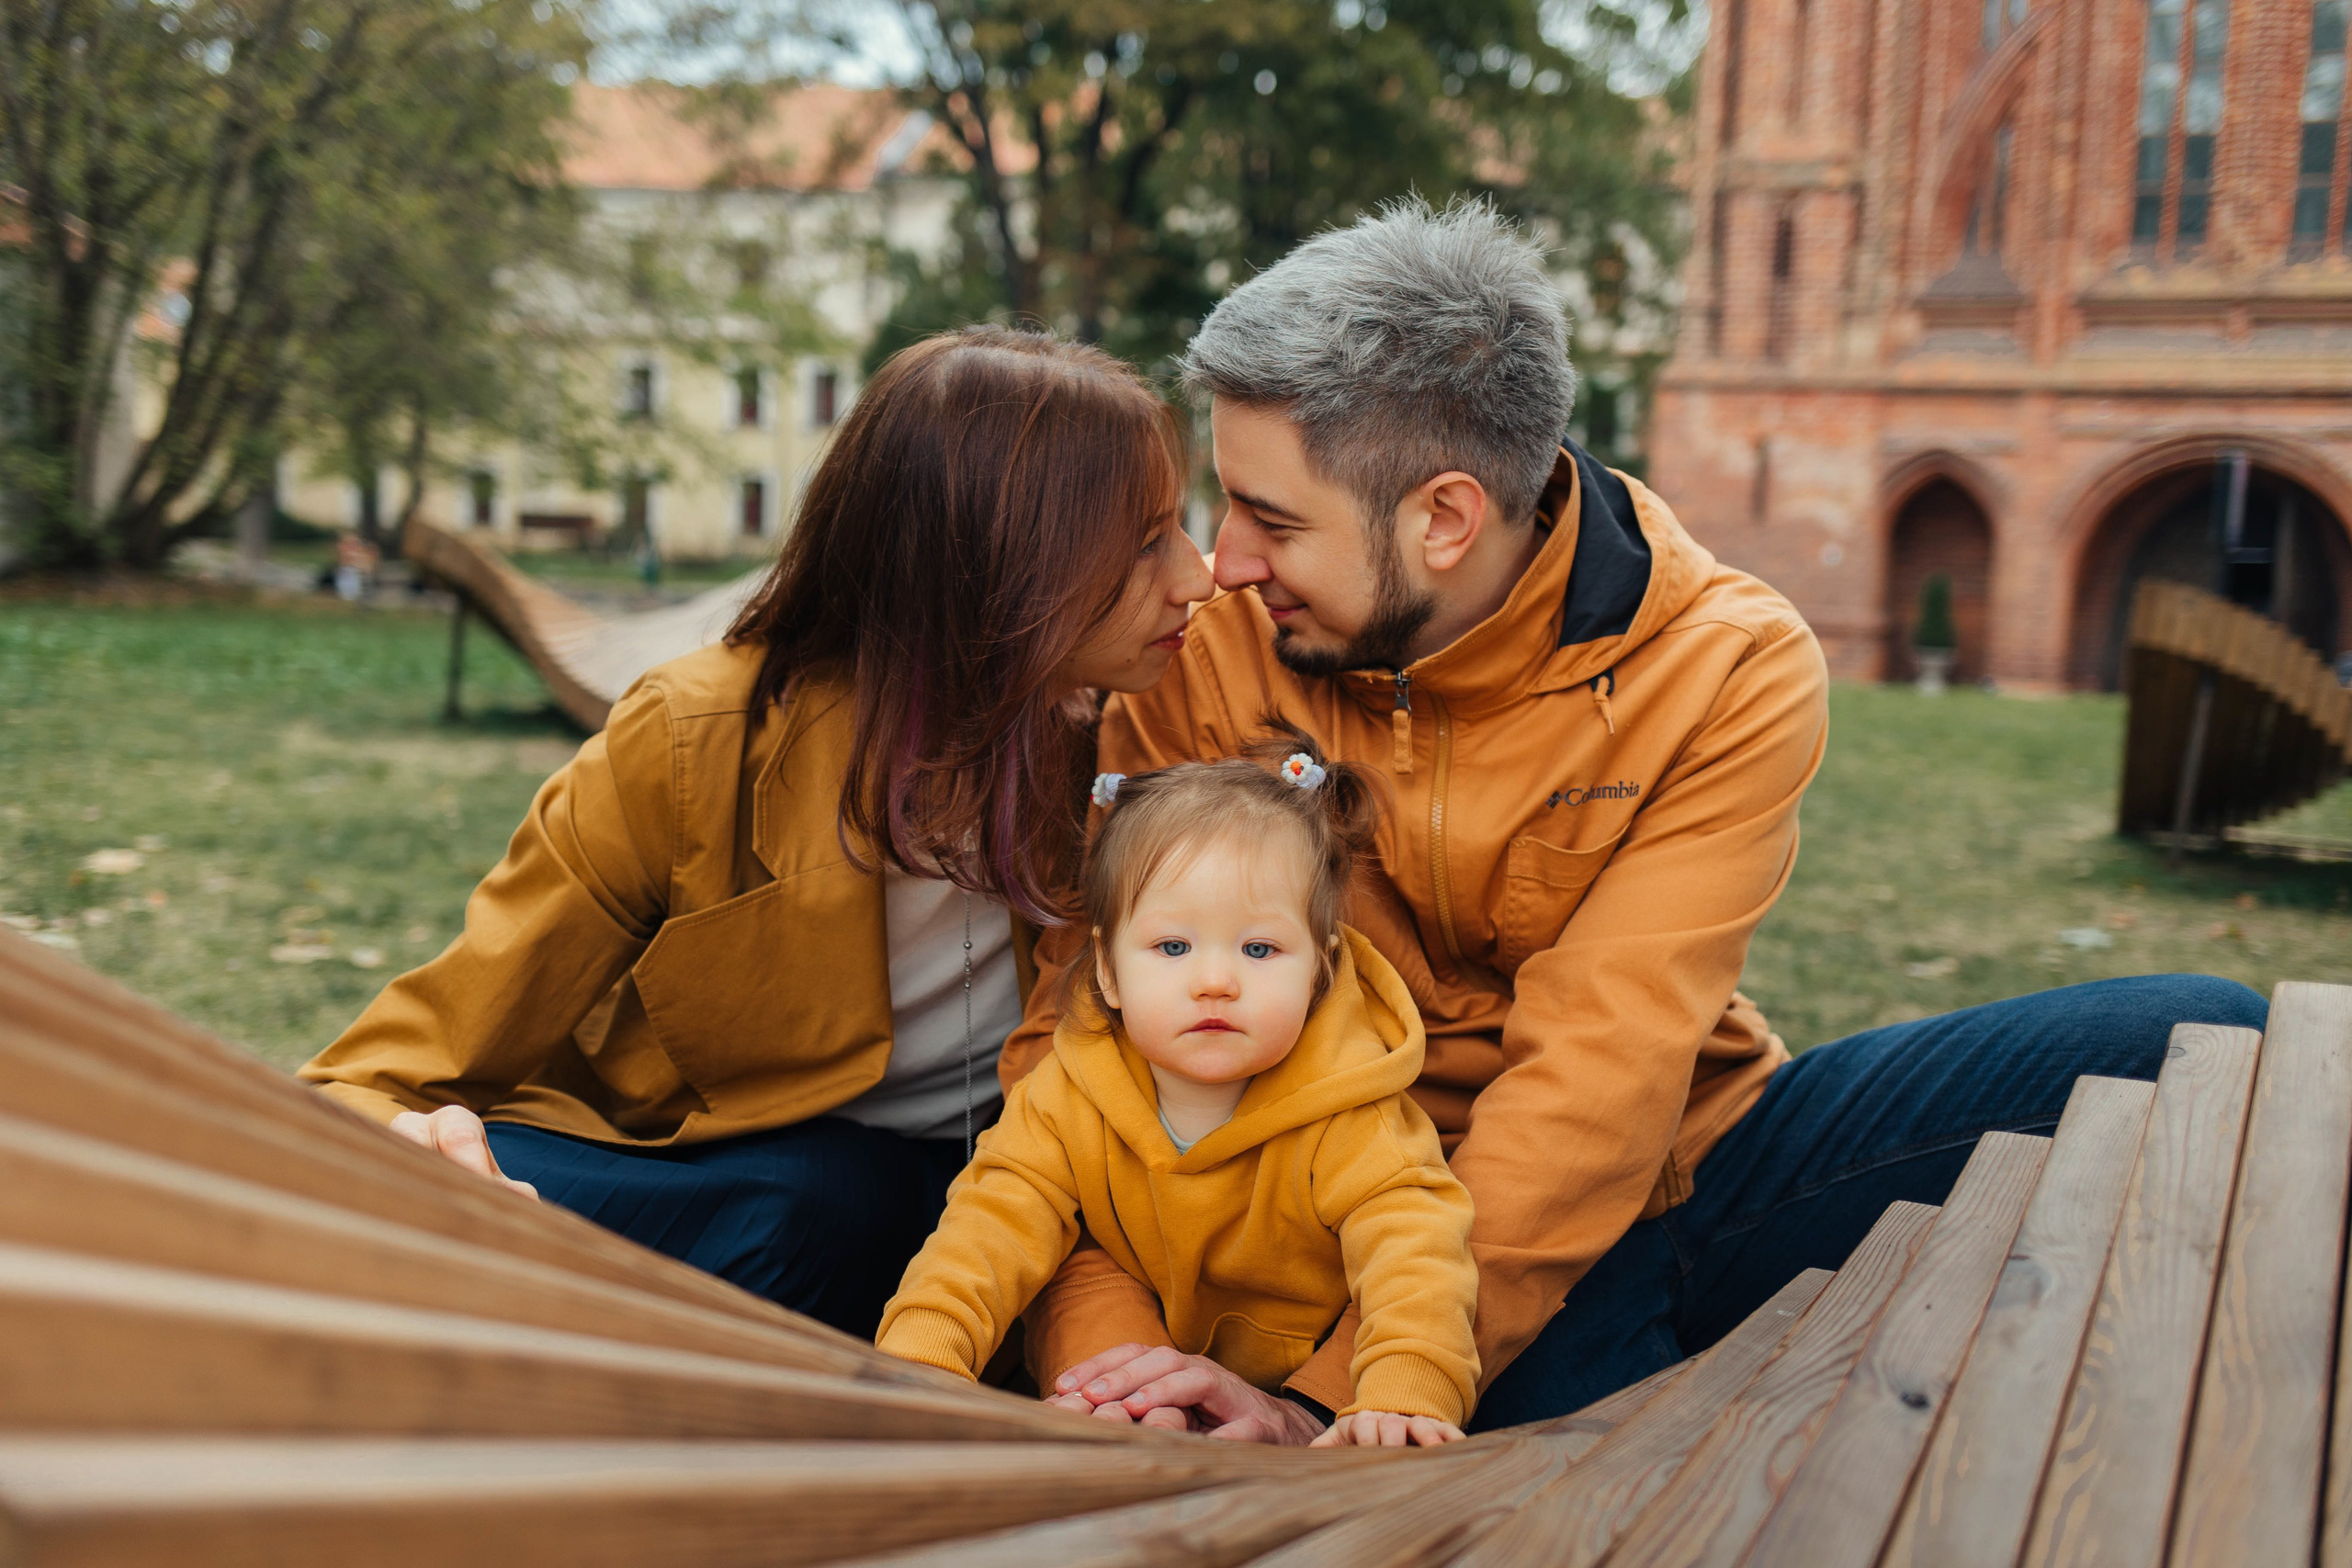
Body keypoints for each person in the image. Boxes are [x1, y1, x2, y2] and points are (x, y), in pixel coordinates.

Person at [1005, 197, 2269, 1440]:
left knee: (2205, 1035)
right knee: (1564, 1473)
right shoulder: (1204, 647)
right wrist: (1114, 1368)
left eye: (1275, 520)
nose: (1223, 561)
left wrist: (1340, 1395)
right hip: (1316, 1201)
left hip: (1664, 1165)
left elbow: (1596, 1080)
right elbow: (1084, 1030)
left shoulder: (1727, 664)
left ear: (1444, 517)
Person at [298, 326, 1213, 1338]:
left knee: (833, 1206)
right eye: (1144, 544)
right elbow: (369, 1077)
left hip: (992, 1216)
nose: (1196, 577)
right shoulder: (697, 743)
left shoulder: (1141, 744)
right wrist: (426, 1151)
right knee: (782, 1200)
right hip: (715, 1194)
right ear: (1000, 572)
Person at [876, 733, 1479, 1448]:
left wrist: (1402, 1392)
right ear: (1107, 971)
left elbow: (1416, 1255)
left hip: (1302, 1401)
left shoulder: (1350, 1109)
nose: (1215, 979)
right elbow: (986, 1228)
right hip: (1142, 1377)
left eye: (1259, 949)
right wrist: (923, 1356)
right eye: (1172, 947)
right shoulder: (1070, 1094)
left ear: (1318, 970)